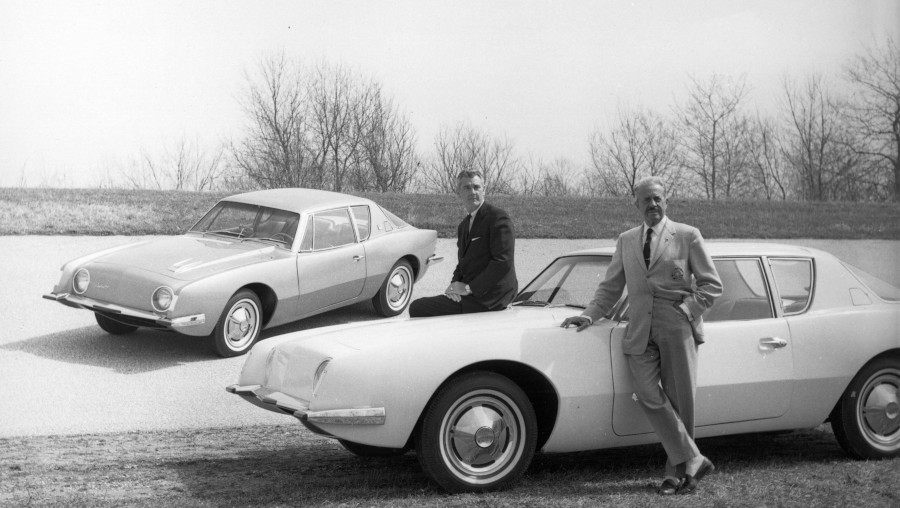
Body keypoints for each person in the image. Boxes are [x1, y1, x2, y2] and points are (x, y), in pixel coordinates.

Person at [561, 176, 722, 495]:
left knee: (680, 402)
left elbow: (712, 285)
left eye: (658, 199)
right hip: (638, 330)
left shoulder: (688, 236)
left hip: (677, 327)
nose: (653, 204)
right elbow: (610, 287)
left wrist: (687, 311)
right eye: (646, 200)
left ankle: (676, 475)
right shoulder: (626, 240)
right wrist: (589, 314)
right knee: (648, 393)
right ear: (636, 205)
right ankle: (694, 458)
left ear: (667, 202)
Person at [409, 170, 517, 317]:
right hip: (471, 293)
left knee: (418, 307)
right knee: (421, 307)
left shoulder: (498, 218)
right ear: (458, 192)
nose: (472, 192)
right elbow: (463, 264)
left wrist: (468, 288)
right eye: (467, 188)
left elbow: (502, 262)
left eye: (477, 187)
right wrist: (454, 286)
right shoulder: (464, 226)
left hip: (492, 297)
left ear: (484, 190)